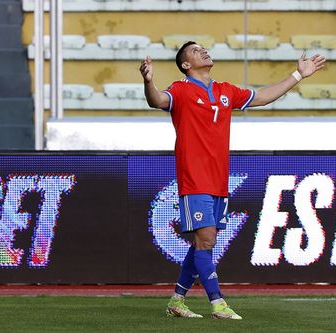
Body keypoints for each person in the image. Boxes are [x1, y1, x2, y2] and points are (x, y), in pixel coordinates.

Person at [139, 41, 325, 319]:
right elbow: (157, 101)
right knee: (207, 239)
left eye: (203, 48)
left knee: (203, 243)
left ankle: (177, 301)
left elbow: (262, 97)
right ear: (186, 65)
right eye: (194, 50)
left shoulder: (225, 90)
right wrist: (148, 81)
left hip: (218, 180)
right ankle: (218, 304)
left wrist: (298, 75)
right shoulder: (181, 89)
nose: (203, 51)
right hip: (195, 178)